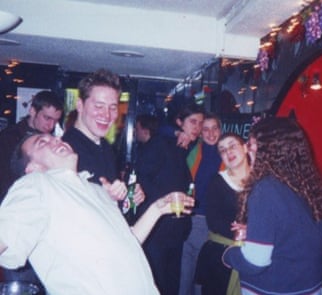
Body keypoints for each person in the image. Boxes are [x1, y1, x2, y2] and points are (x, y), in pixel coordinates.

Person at [0, 133, 194, 295]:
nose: (55, 140)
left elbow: (129, 241)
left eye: (54, 137)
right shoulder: (36, 184)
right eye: (42, 143)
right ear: (33, 168)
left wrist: (158, 208)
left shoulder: (96, 190)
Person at [222, 117, 322, 295]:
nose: (249, 156)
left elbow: (256, 262)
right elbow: (298, 234)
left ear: (268, 153)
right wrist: (258, 232)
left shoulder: (265, 189)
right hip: (310, 288)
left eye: (253, 150)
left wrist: (229, 254)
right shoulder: (310, 186)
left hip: (273, 289)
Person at [134, 105, 204, 295]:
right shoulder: (162, 143)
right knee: (158, 285)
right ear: (180, 123)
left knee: (172, 285)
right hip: (158, 229)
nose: (197, 127)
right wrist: (165, 203)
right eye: (192, 122)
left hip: (175, 230)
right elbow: (142, 175)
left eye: (200, 123)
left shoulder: (184, 148)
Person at [0, 89, 63, 293]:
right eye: (46, 118)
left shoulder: (51, 141)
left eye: (55, 120)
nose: (50, 125)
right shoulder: (8, 138)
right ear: (33, 111)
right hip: (14, 222)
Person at [62, 68, 144, 204]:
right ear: (80, 105)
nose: (107, 115)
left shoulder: (106, 148)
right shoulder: (65, 150)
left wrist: (128, 196)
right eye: (99, 106)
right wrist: (102, 197)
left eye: (112, 107)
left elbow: (112, 204)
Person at [195, 133, 250, 295]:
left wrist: (253, 231)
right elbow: (213, 221)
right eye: (223, 150)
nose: (228, 152)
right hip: (222, 254)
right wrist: (240, 233)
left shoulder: (262, 180)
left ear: (245, 147)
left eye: (232, 146)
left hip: (257, 252)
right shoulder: (217, 181)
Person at [179, 113, 224, 295]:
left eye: (215, 128)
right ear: (200, 133)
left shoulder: (228, 154)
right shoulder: (192, 150)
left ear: (221, 130)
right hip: (188, 218)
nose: (211, 133)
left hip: (212, 224)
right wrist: (177, 132)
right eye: (206, 129)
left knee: (201, 279)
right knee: (183, 277)